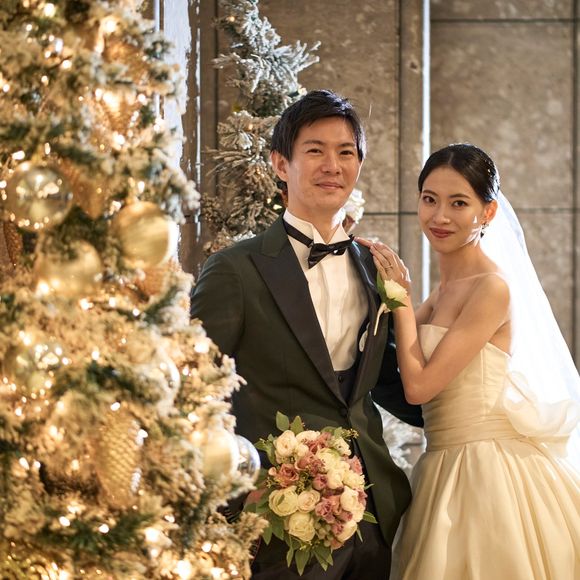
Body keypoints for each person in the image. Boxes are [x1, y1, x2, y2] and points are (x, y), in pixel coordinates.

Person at [190, 89, 422, 579]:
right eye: (315, 150)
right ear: (281, 164)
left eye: (346, 152)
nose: (332, 166)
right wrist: (236, 491)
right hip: (276, 513)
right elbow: (197, 387)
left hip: (373, 512)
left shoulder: (375, 268)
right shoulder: (235, 269)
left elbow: (383, 381)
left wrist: (471, 423)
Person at [360, 143, 580, 579]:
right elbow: (387, 348)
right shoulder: (441, 293)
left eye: (459, 203)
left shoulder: (492, 288)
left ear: (488, 212)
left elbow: (418, 387)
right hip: (441, 464)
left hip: (489, 470)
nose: (440, 216)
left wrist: (400, 299)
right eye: (430, 199)